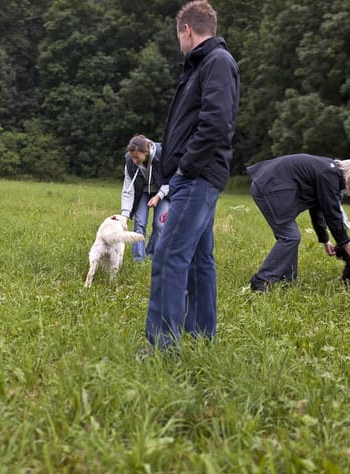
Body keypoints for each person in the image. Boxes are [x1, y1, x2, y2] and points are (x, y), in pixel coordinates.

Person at [144, 0, 240, 350]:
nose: (179, 43)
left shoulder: (215, 62)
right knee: (200, 259)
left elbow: (216, 122)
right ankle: (201, 335)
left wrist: (186, 166)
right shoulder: (203, 65)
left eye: (178, 36)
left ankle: (161, 345)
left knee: (169, 255)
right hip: (198, 175)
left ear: (187, 30)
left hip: (196, 177)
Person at [247, 153, 350, 292]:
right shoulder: (329, 175)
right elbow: (332, 213)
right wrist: (345, 243)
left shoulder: (328, 170)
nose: (349, 190)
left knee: (290, 237)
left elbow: (318, 208)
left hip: (269, 186)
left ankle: (287, 280)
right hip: (269, 189)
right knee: (290, 237)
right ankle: (260, 281)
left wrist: (325, 239)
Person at [120, 134, 170, 262]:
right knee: (139, 224)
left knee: (160, 225)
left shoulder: (163, 154)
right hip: (142, 192)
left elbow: (172, 179)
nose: (134, 160)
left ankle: (151, 255)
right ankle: (138, 259)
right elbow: (128, 189)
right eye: (132, 157)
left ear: (146, 152)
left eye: (137, 157)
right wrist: (124, 216)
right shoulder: (130, 161)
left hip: (162, 192)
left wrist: (158, 197)